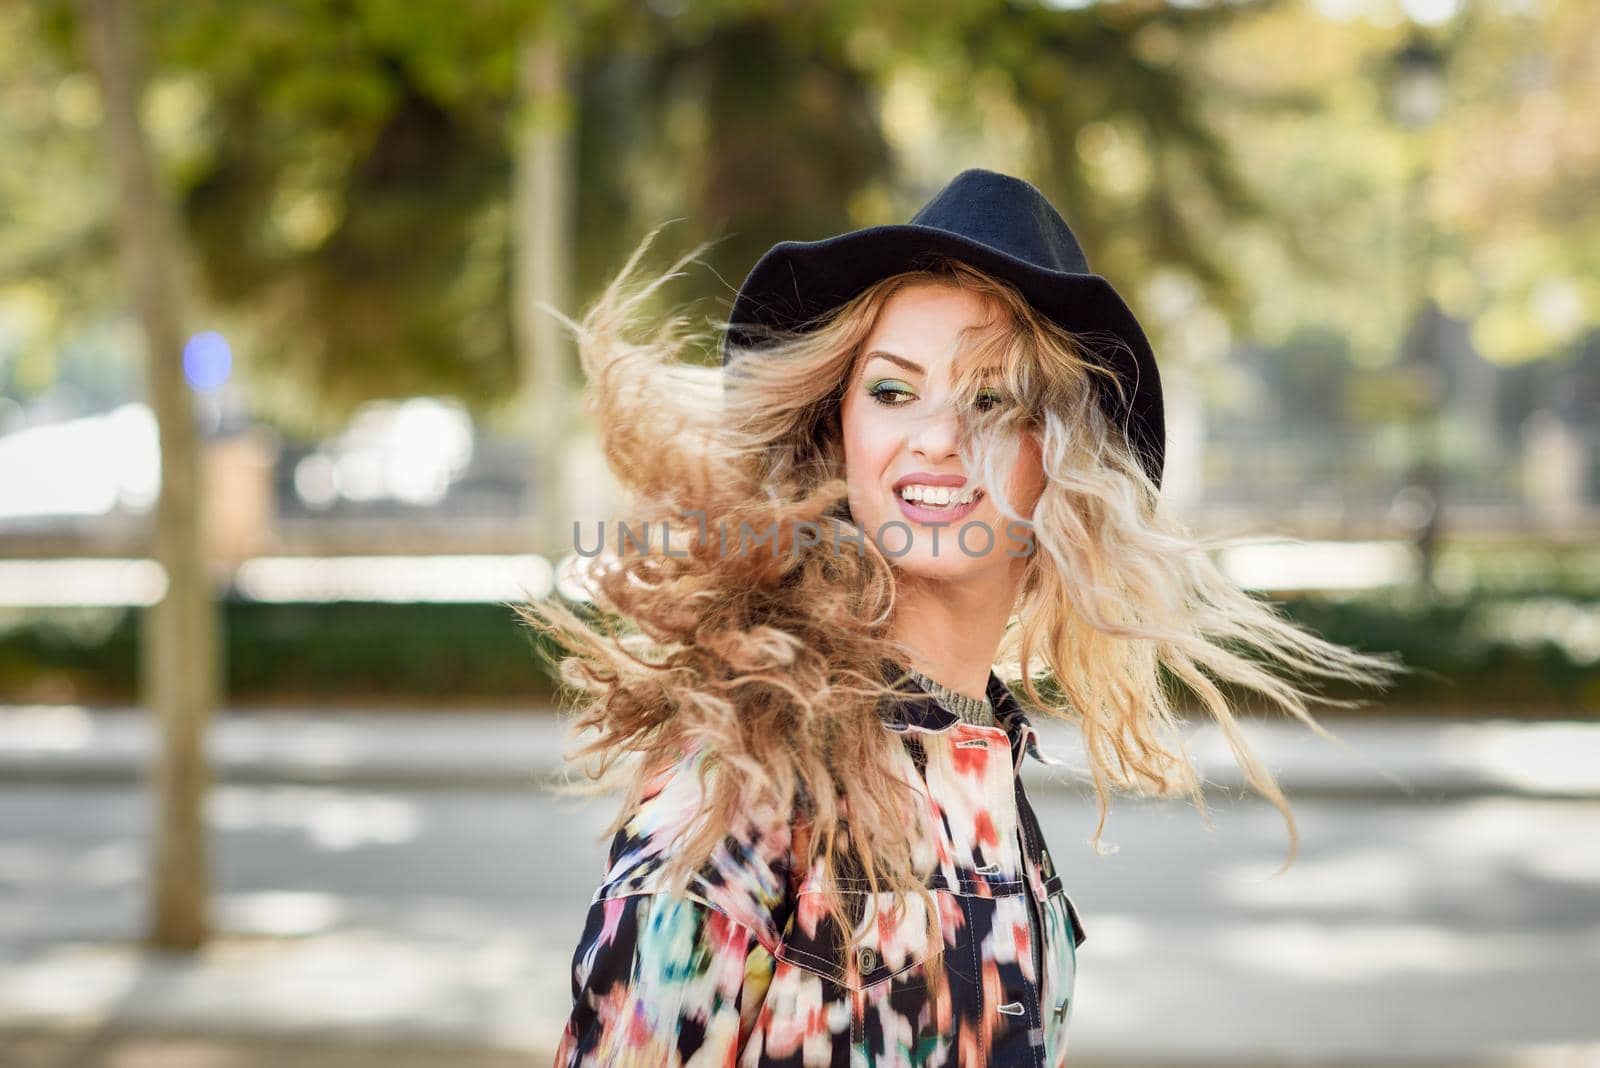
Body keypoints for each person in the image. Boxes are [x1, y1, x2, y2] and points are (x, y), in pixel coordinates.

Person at [525, 168, 1406, 1067]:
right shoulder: (749, 759)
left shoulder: (988, 764)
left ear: (1061, 459)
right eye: (893, 391)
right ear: (837, 432)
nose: (939, 438)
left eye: (993, 399)